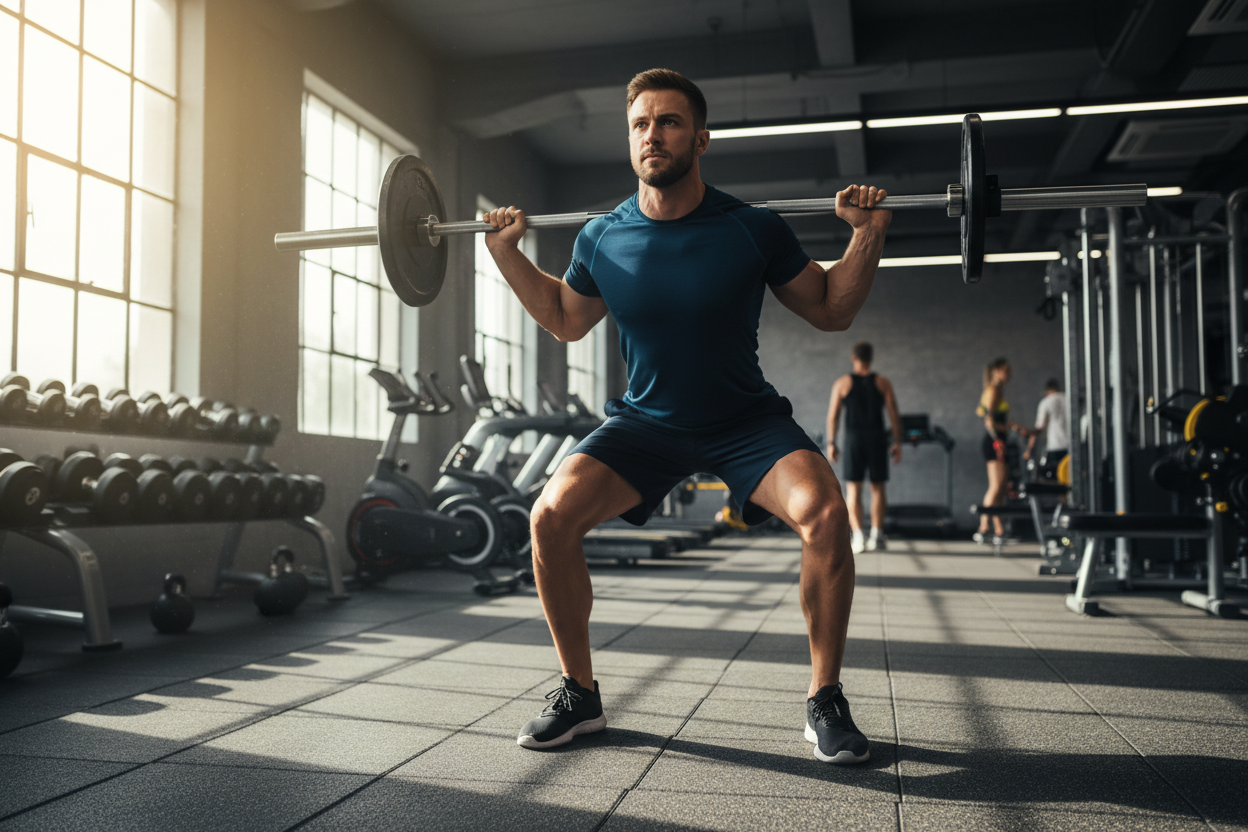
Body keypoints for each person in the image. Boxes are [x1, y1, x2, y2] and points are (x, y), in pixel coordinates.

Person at [480, 68, 890, 764]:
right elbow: (565, 319)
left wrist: (867, 235)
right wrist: (504, 253)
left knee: (826, 516)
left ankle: (825, 699)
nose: (653, 136)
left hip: (745, 421)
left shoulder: (752, 228)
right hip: (645, 426)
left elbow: (831, 309)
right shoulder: (601, 237)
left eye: (669, 122)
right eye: (640, 125)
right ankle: (579, 692)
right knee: (548, 517)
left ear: (700, 139)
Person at [825, 341, 902, 554]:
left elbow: (833, 416)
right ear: (871, 358)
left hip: (854, 440)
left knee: (853, 489)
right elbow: (893, 413)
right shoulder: (883, 382)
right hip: (877, 439)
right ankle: (876, 535)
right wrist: (897, 442)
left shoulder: (842, 383)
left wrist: (831, 443)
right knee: (878, 488)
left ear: (854, 358)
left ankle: (858, 537)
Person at [975, 358, 1030, 542]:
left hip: (999, 439)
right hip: (994, 442)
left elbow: (997, 417)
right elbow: (989, 419)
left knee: (1001, 488)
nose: (1009, 374)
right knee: (996, 486)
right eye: (1006, 370)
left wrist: (1015, 427)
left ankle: (999, 530)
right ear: (996, 371)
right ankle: (984, 527)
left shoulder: (997, 390)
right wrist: (997, 440)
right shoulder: (993, 390)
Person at [1026, 378, 1069, 477]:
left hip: (1055, 446)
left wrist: (1029, 449)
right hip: (1072, 447)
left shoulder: (1046, 402)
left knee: (1056, 479)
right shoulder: (1069, 399)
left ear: (1047, 391)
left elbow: (1039, 428)